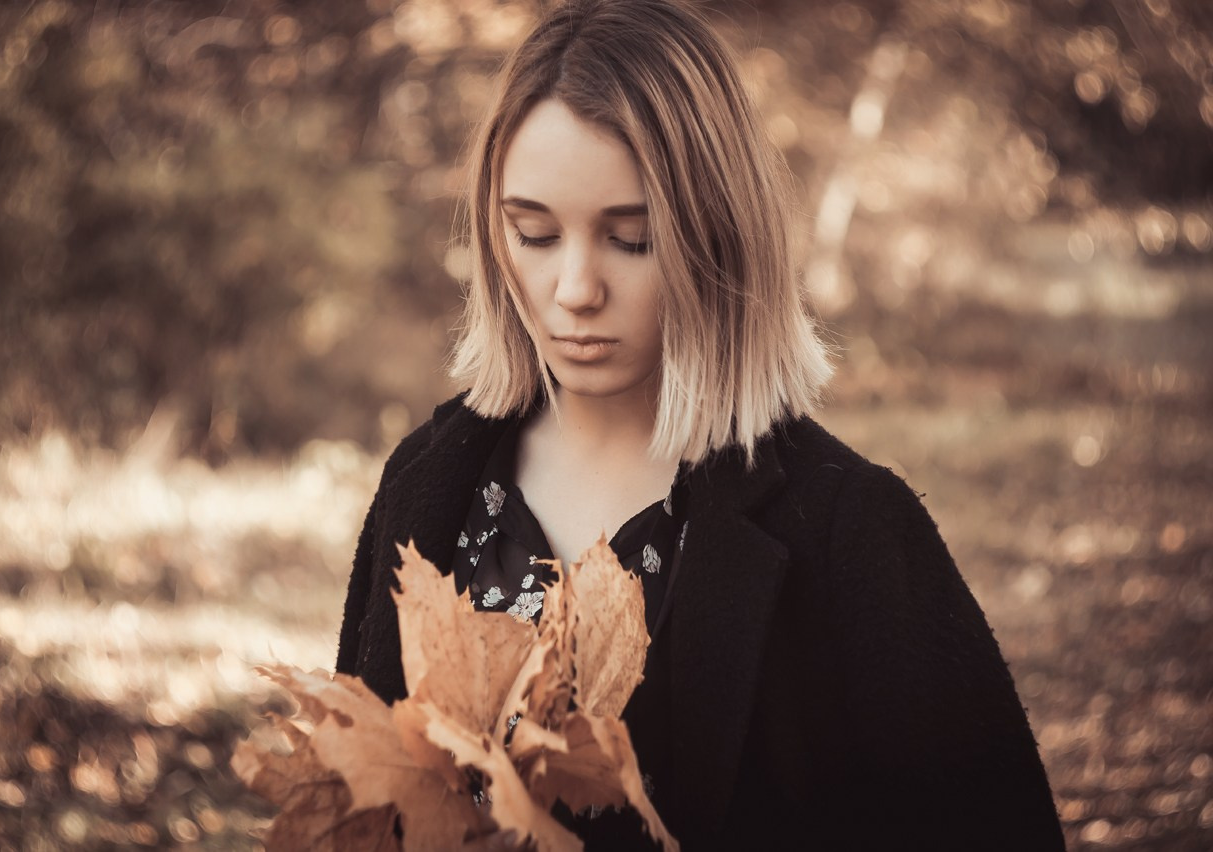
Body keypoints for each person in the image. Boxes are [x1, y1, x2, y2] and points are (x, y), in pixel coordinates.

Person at [336, 0, 1064, 848]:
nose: (575, 288)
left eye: (632, 239)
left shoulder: (851, 531)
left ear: (716, 235)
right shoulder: (429, 481)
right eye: (533, 233)